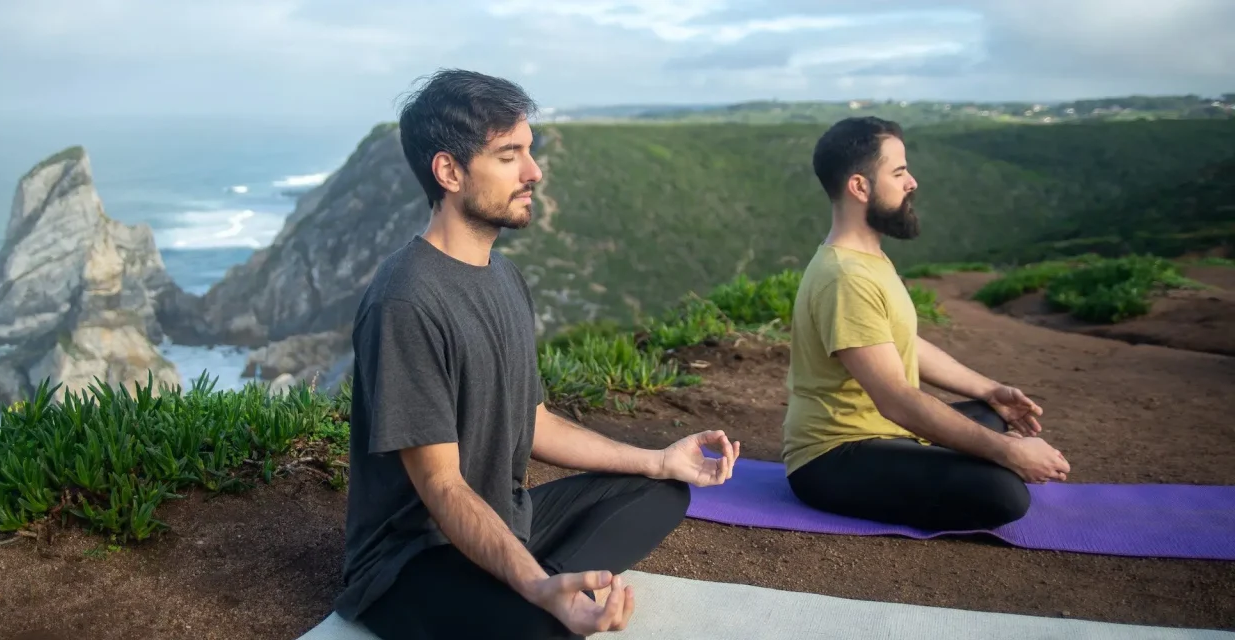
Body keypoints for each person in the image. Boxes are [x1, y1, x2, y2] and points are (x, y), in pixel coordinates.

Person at [332, 68, 741, 640]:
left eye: (529, 149)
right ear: (449, 170)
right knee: (542, 628)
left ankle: (539, 582)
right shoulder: (406, 300)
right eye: (509, 155)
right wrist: (536, 588)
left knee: (662, 492)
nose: (534, 171)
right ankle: (540, 588)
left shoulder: (505, 276)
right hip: (414, 557)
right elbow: (443, 488)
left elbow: (532, 420)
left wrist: (658, 458)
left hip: (507, 521)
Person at [781, 116, 1070, 533]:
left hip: (885, 434)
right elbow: (896, 399)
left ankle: (966, 444)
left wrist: (990, 390)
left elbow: (903, 343)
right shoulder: (845, 277)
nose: (912, 182)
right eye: (898, 172)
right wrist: (1006, 453)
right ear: (860, 187)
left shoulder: (869, 259)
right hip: (833, 458)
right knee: (1004, 494)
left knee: (989, 415)